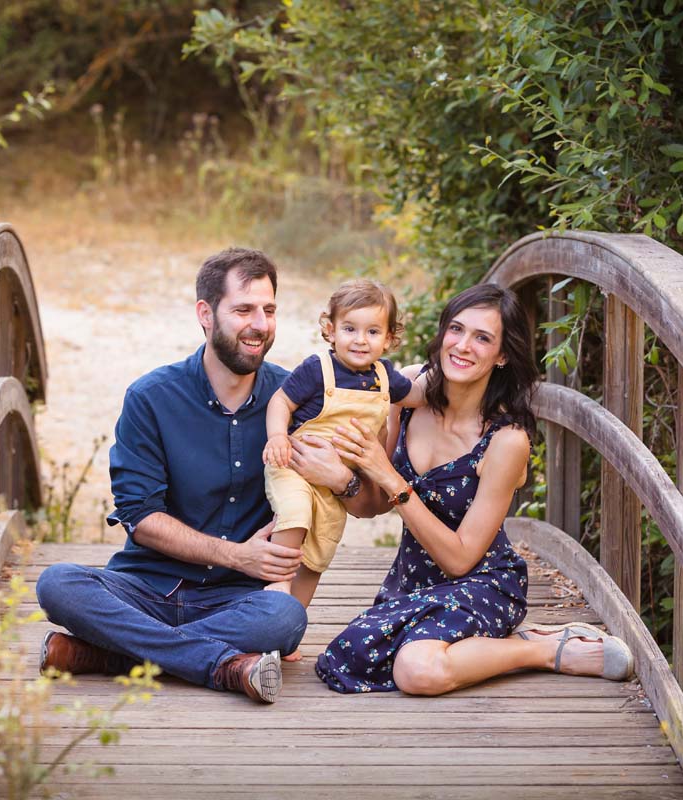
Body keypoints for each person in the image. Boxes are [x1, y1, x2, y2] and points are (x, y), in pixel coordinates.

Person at [311, 283, 634, 694]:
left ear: (502, 355)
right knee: (349, 656)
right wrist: (342, 479)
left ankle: (537, 648)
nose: (463, 346)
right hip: (412, 581)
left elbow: (460, 560)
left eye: (482, 338)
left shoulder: (506, 441)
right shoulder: (403, 393)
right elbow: (371, 506)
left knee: (417, 671)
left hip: (481, 581)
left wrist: (389, 476)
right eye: (457, 329)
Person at [34, 247, 308, 704]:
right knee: (57, 583)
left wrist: (350, 474)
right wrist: (239, 556)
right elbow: (140, 518)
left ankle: (111, 655)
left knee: (284, 617)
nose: (260, 324)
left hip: (237, 601)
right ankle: (220, 665)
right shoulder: (151, 397)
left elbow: (358, 501)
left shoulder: (294, 398)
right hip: (144, 588)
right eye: (243, 309)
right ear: (205, 313)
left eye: (269, 310)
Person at [262, 279, 427, 607]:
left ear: (389, 338)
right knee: (294, 514)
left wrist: (445, 373)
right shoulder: (317, 369)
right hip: (294, 466)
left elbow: (419, 396)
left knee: (318, 554)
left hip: (332, 490)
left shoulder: (386, 378)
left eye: (372, 332)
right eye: (350, 329)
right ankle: (278, 585)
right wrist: (278, 436)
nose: (360, 341)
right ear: (331, 330)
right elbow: (281, 402)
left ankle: (290, 624)